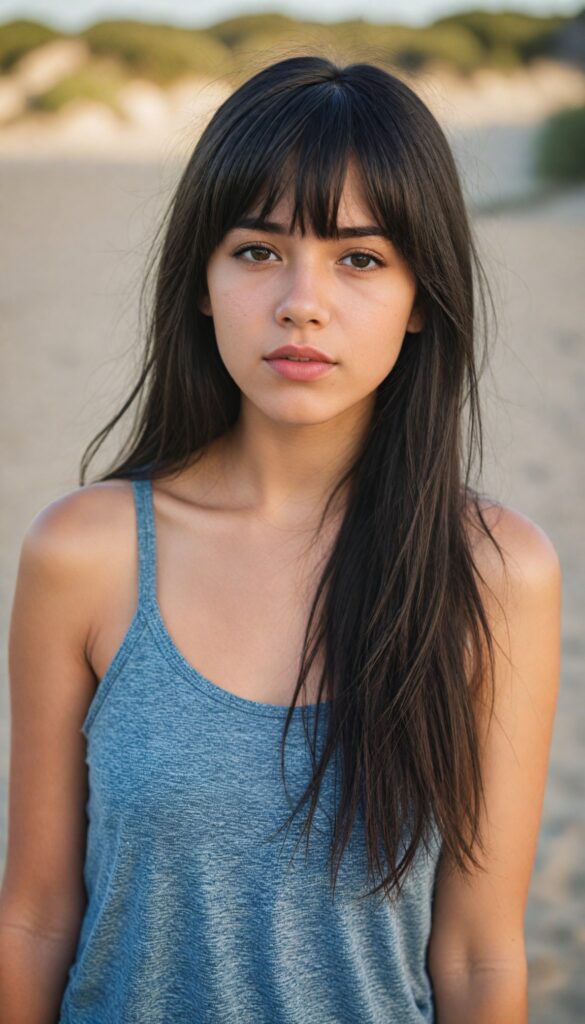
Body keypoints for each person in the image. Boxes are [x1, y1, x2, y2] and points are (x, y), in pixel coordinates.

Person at [0, 55, 561, 1024]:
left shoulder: (494, 571)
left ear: (422, 296)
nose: (303, 299)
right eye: (258, 250)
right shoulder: (84, 552)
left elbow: (476, 956)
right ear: (203, 282)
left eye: (360, 258)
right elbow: (38, 916)